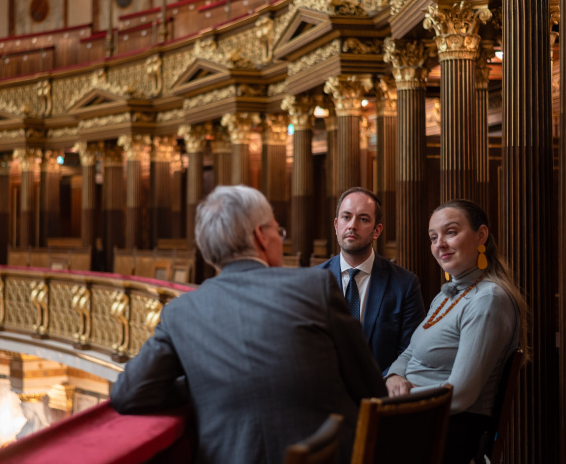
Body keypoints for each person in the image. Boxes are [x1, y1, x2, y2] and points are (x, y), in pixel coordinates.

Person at [110, 185, 386, 464]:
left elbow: (129, 393)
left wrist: (204, 378)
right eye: (279, 232)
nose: (281, 239)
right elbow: (371, 388)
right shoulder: (315, 287)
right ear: (260, 236)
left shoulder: (180, 311)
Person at [385, 199, 528, 464]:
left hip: (444, 431)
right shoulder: (446, 295)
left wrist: (393, 401)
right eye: (433, 237)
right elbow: (409, 352)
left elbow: (460, 395)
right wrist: (394, 377)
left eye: (450, 232)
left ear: (481, 235)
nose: (439, 244)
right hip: (414, 418)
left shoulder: (488, 299)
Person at [317, 187, 425, 374]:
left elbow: (411, 349)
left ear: (377, 230)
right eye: (346, 217)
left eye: (363, 219)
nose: (352, 225)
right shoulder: (313, 280)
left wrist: (388, 381)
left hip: (381, 392)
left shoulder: (405, 284)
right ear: (336, 225)